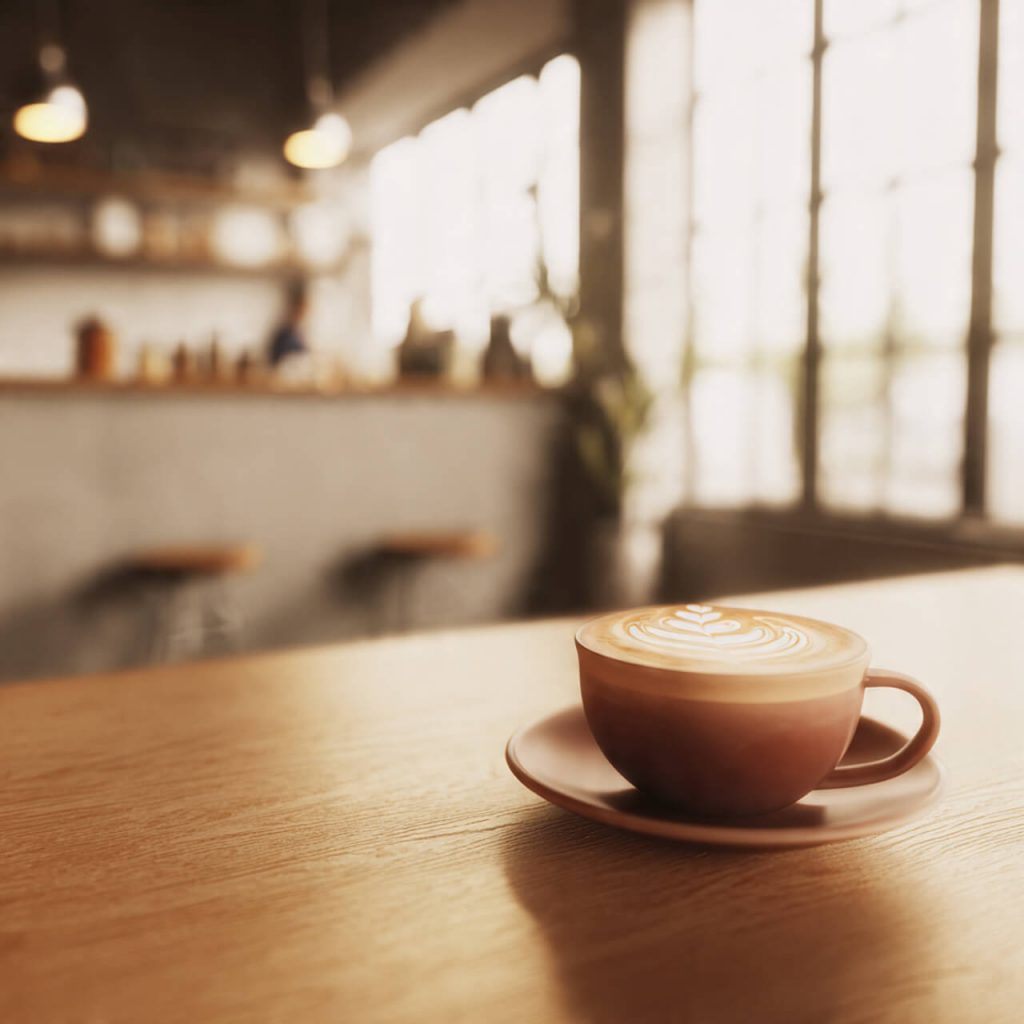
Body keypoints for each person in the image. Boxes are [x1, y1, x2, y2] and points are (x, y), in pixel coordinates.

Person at [268, 283, 310, 368]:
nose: (305, 312)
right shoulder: (283, 333)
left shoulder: (298, 331)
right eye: (302, 308)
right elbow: (275, 362)